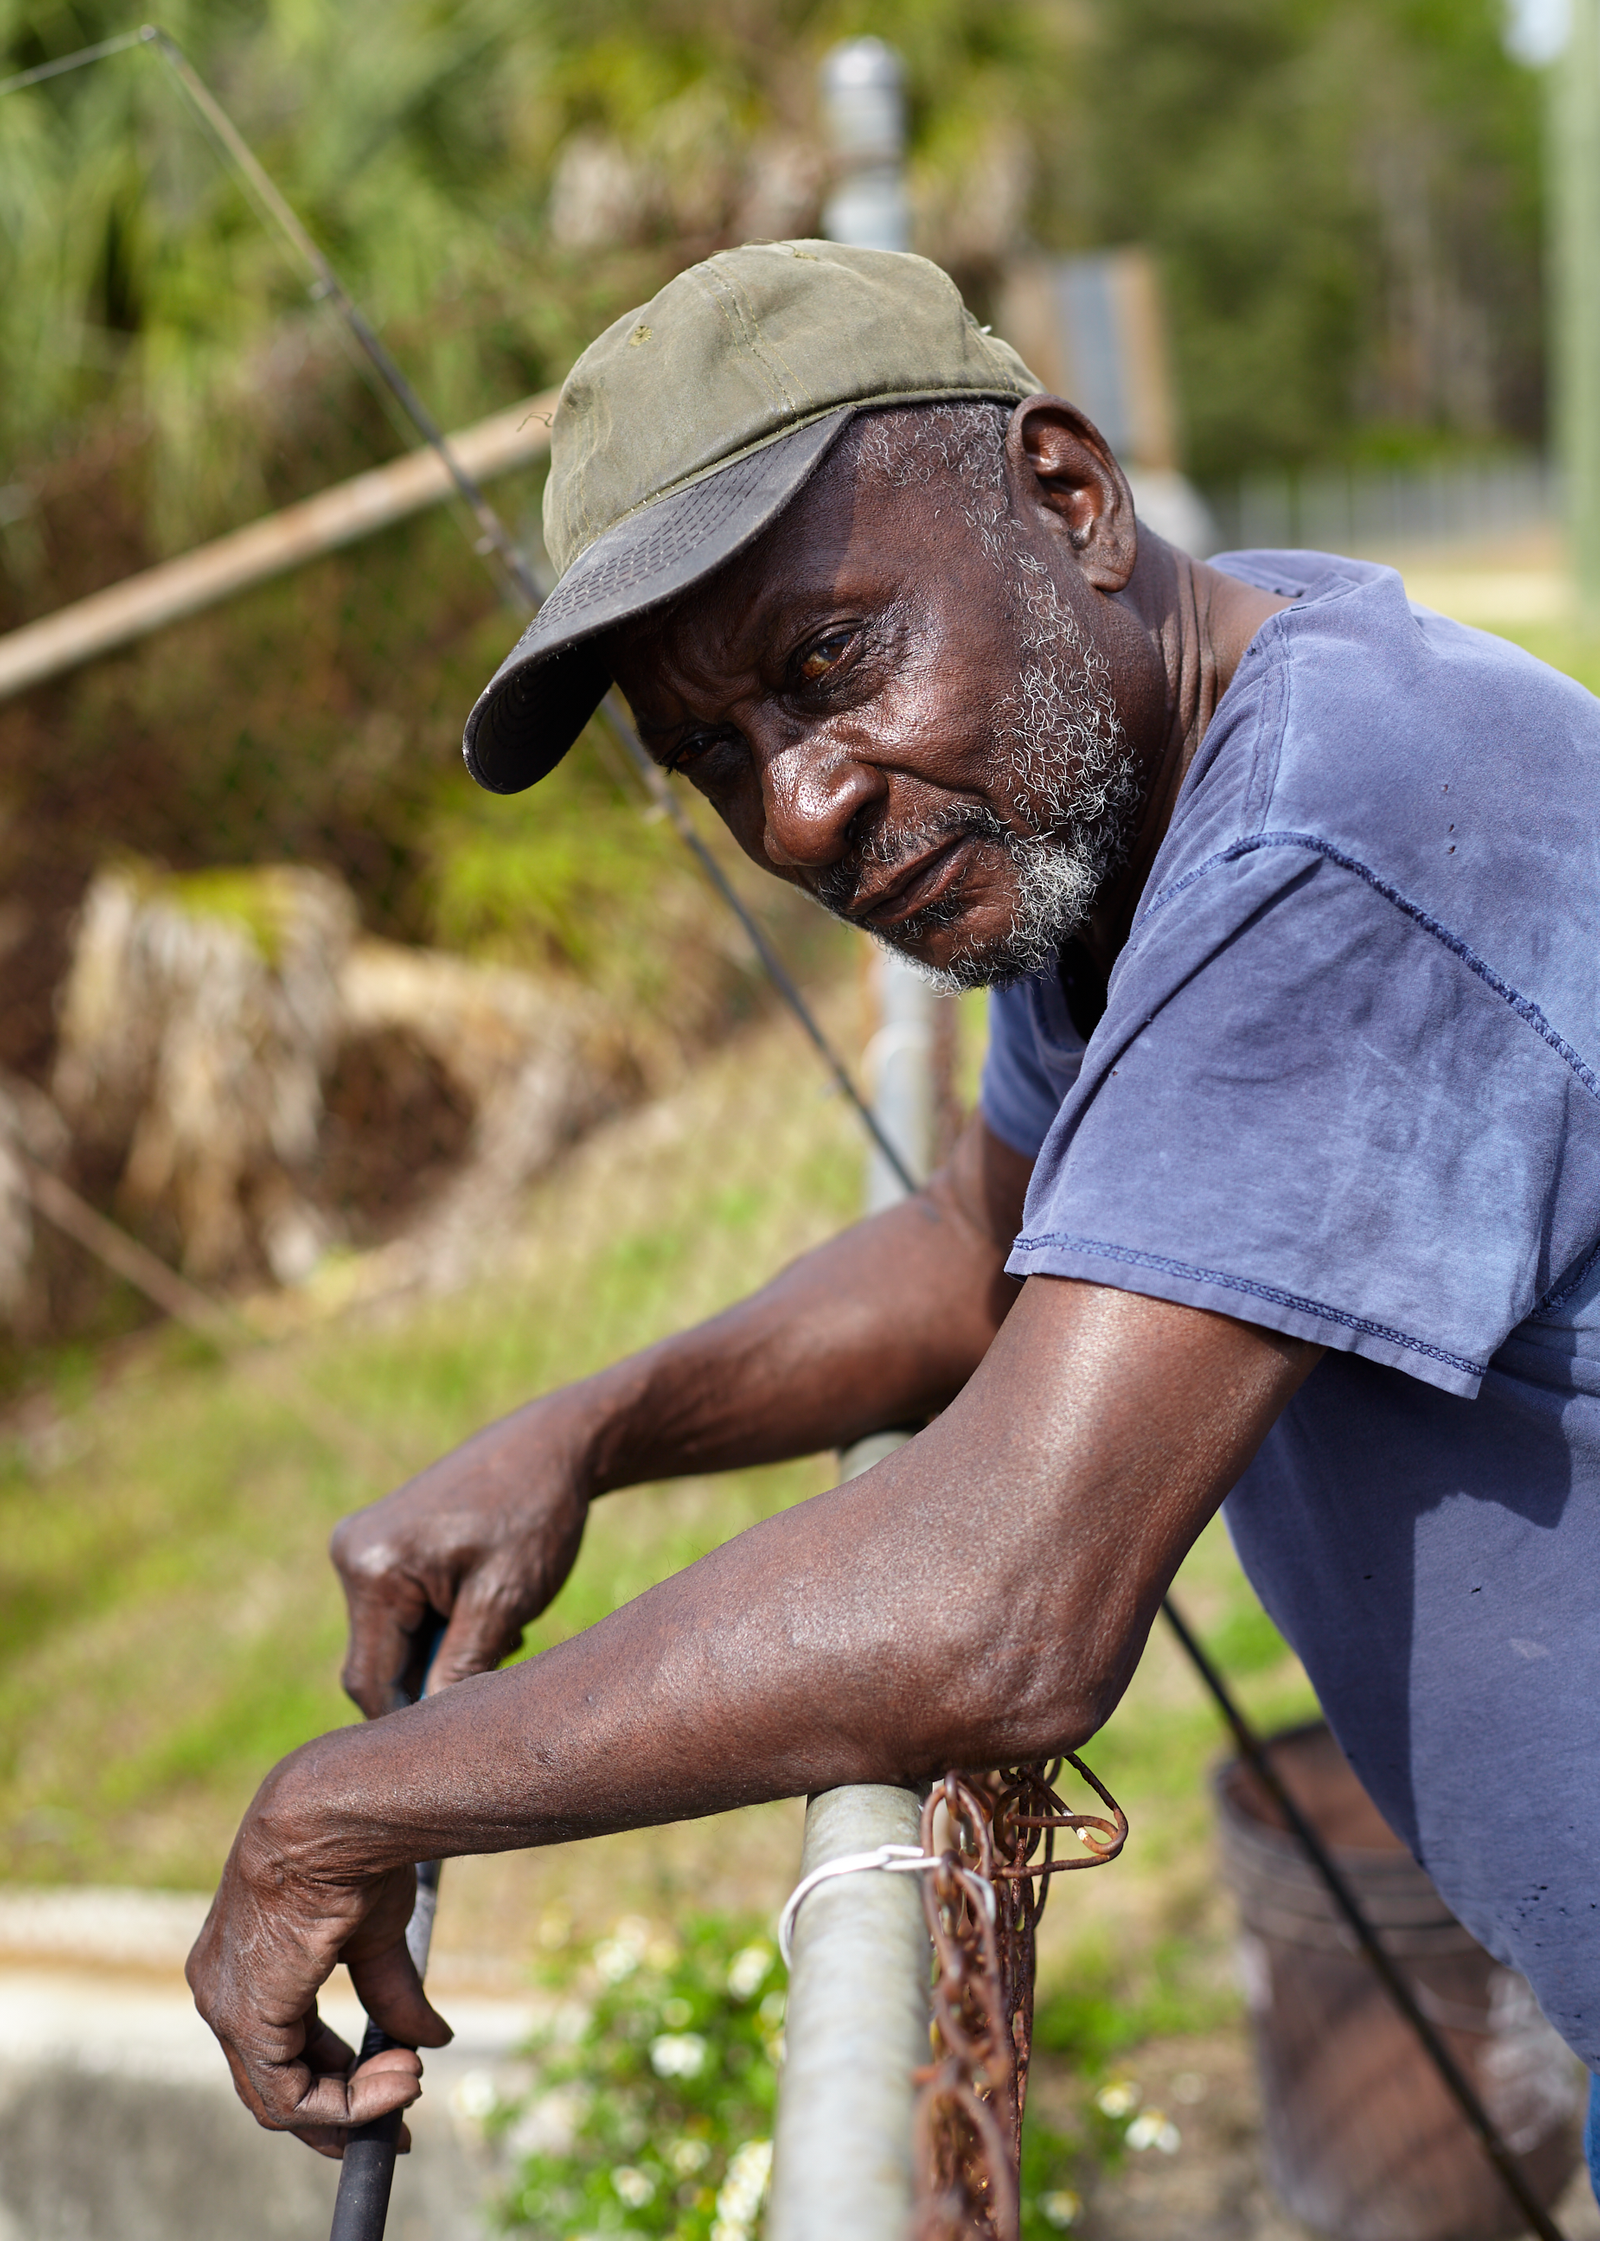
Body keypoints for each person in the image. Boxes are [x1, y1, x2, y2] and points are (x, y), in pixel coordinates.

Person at [187, 240, 1600, 2168]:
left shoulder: (1331, 834)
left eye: (826, 663)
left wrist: (341, 1807)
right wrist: (590, 1432)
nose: (797, 814)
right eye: (714, 758)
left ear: (1070, 499)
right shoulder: (1123, 799)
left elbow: (1005, 1601)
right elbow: (970, 1253)